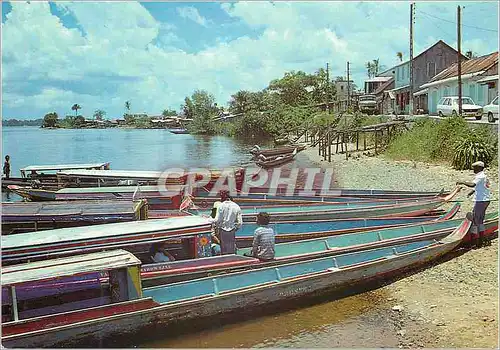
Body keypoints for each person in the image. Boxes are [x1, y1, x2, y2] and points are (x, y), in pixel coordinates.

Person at [456, 161, 491, 248]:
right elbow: (481, 187)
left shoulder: (480, 176)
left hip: (481, 201)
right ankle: (480, 240)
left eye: (474, 168)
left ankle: (475, 242)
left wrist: (463, 182)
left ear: (479, 168)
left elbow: (472, 184)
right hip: (485, 200)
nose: (473, 170)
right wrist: (471, 192)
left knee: (475, 221)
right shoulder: (484, 176)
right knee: (480, 221)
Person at [215, 190, 242, 254]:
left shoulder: (220, 206)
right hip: (232, 230)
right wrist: (236, 228)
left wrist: (217, 227)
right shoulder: (236, 206)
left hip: (222, 230)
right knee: (231, 249)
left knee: (224, 250)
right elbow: (240, 223)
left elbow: (218, 220)